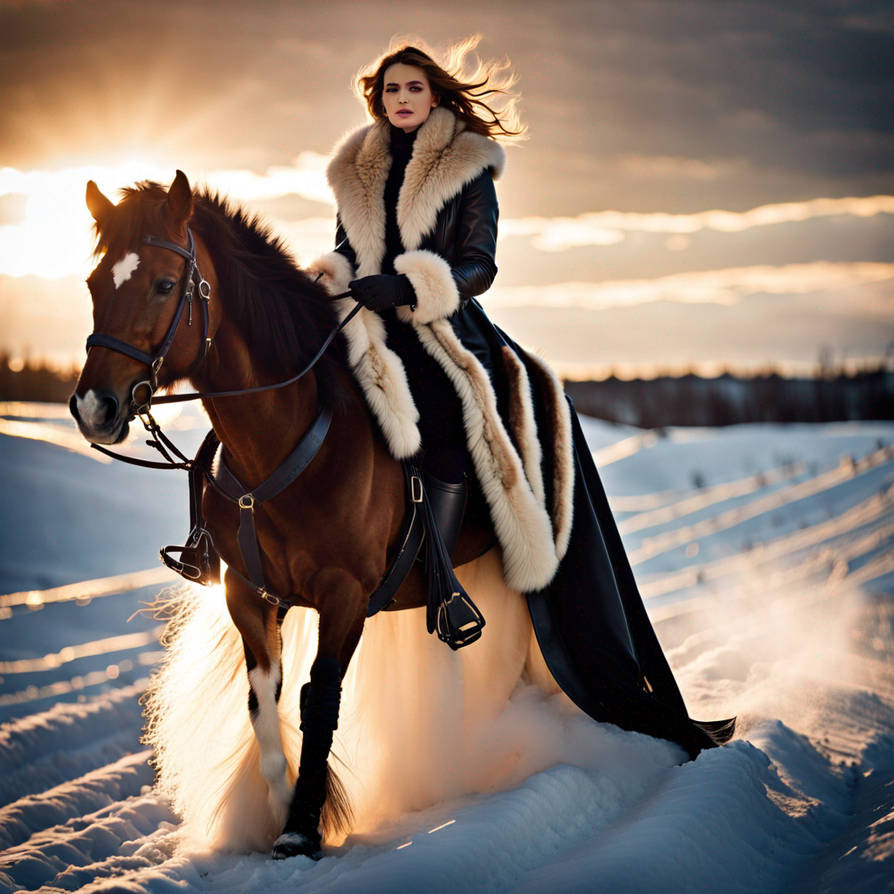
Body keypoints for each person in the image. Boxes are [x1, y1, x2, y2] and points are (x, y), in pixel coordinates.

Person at [310, 38, 733, 758]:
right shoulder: (356, 170)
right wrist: (330, 280)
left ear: (435, 96)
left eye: (413, 88)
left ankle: (441, 583)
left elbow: (479, 264)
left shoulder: (467, 167)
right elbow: (346, 252)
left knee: (450, 435)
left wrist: (410, 286)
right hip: (368, 328)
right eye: (390, 91)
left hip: (444, 330)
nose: (401, 100)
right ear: (377, 100)